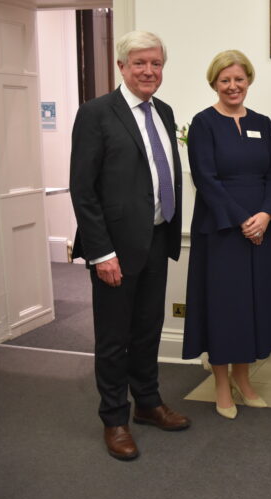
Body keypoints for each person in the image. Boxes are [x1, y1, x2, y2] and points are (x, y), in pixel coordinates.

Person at [70, 30, 189, 461]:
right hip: (115, 250)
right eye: (139, 63)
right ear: (121, 67)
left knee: (146, 331)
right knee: (113, 338)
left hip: (157, 238)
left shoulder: (165, 112)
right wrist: (101, 253)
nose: (148, 71)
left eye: (155, 63)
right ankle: (114, 419)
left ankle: (148, 404)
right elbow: (83, 190)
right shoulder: (96, 113)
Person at [182, 50, 271, 419]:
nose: (233, 86)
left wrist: (264, 215)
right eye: (225, 80)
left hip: (262, 227)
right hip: (221, 230)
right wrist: (244, 221)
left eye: (239, 79)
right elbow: (206, 180)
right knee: (225, 308)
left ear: (249, 81)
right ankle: (222, 385)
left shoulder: (263, 123)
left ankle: (245, 382)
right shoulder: (203, 124)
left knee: (252, 307)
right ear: (214, 83)